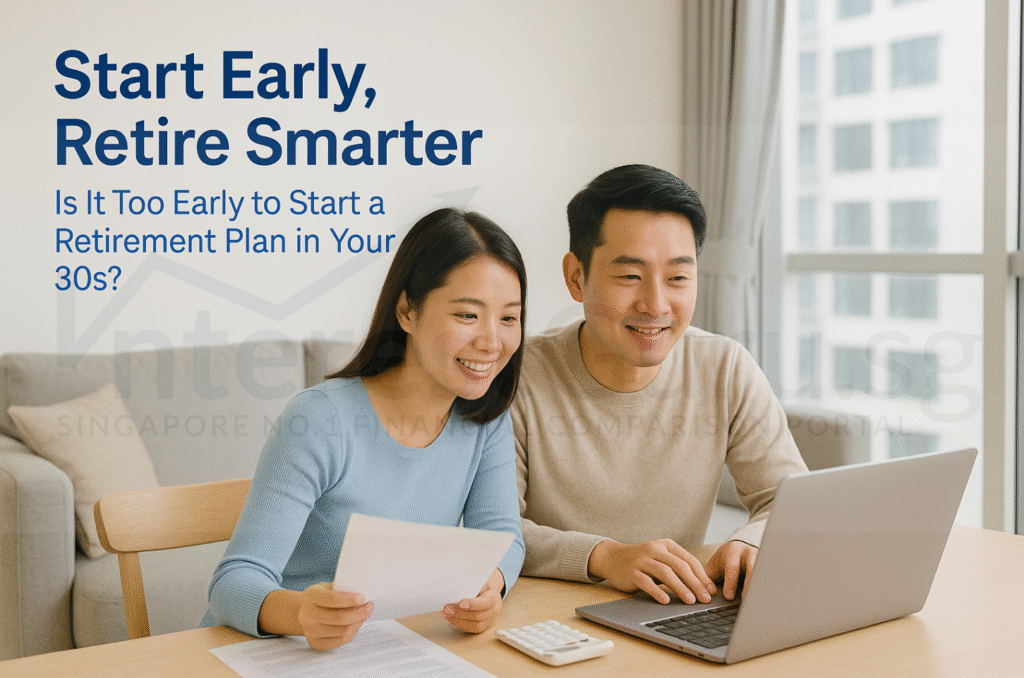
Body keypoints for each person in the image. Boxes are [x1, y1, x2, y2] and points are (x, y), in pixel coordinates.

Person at [202, 208, 527, 650]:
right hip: (274, 652)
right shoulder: (321, 420)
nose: (491, 341)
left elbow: (503, 538)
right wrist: (301, 613)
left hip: (384, 651)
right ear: (407, 311)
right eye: (468, 315)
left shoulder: (485, 421)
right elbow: (233, 582)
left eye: (509, 318)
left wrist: (491, 585)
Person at [513, 164, 807, 607]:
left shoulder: (724, 367)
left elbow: (789, 500)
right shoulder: (518, 376)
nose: (655, 305)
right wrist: (606, 557)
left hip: (676, 609)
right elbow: (496, 529)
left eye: (677, 278)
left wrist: (751, 541)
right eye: (630, 277)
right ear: (576, 277)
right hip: (546, 618)